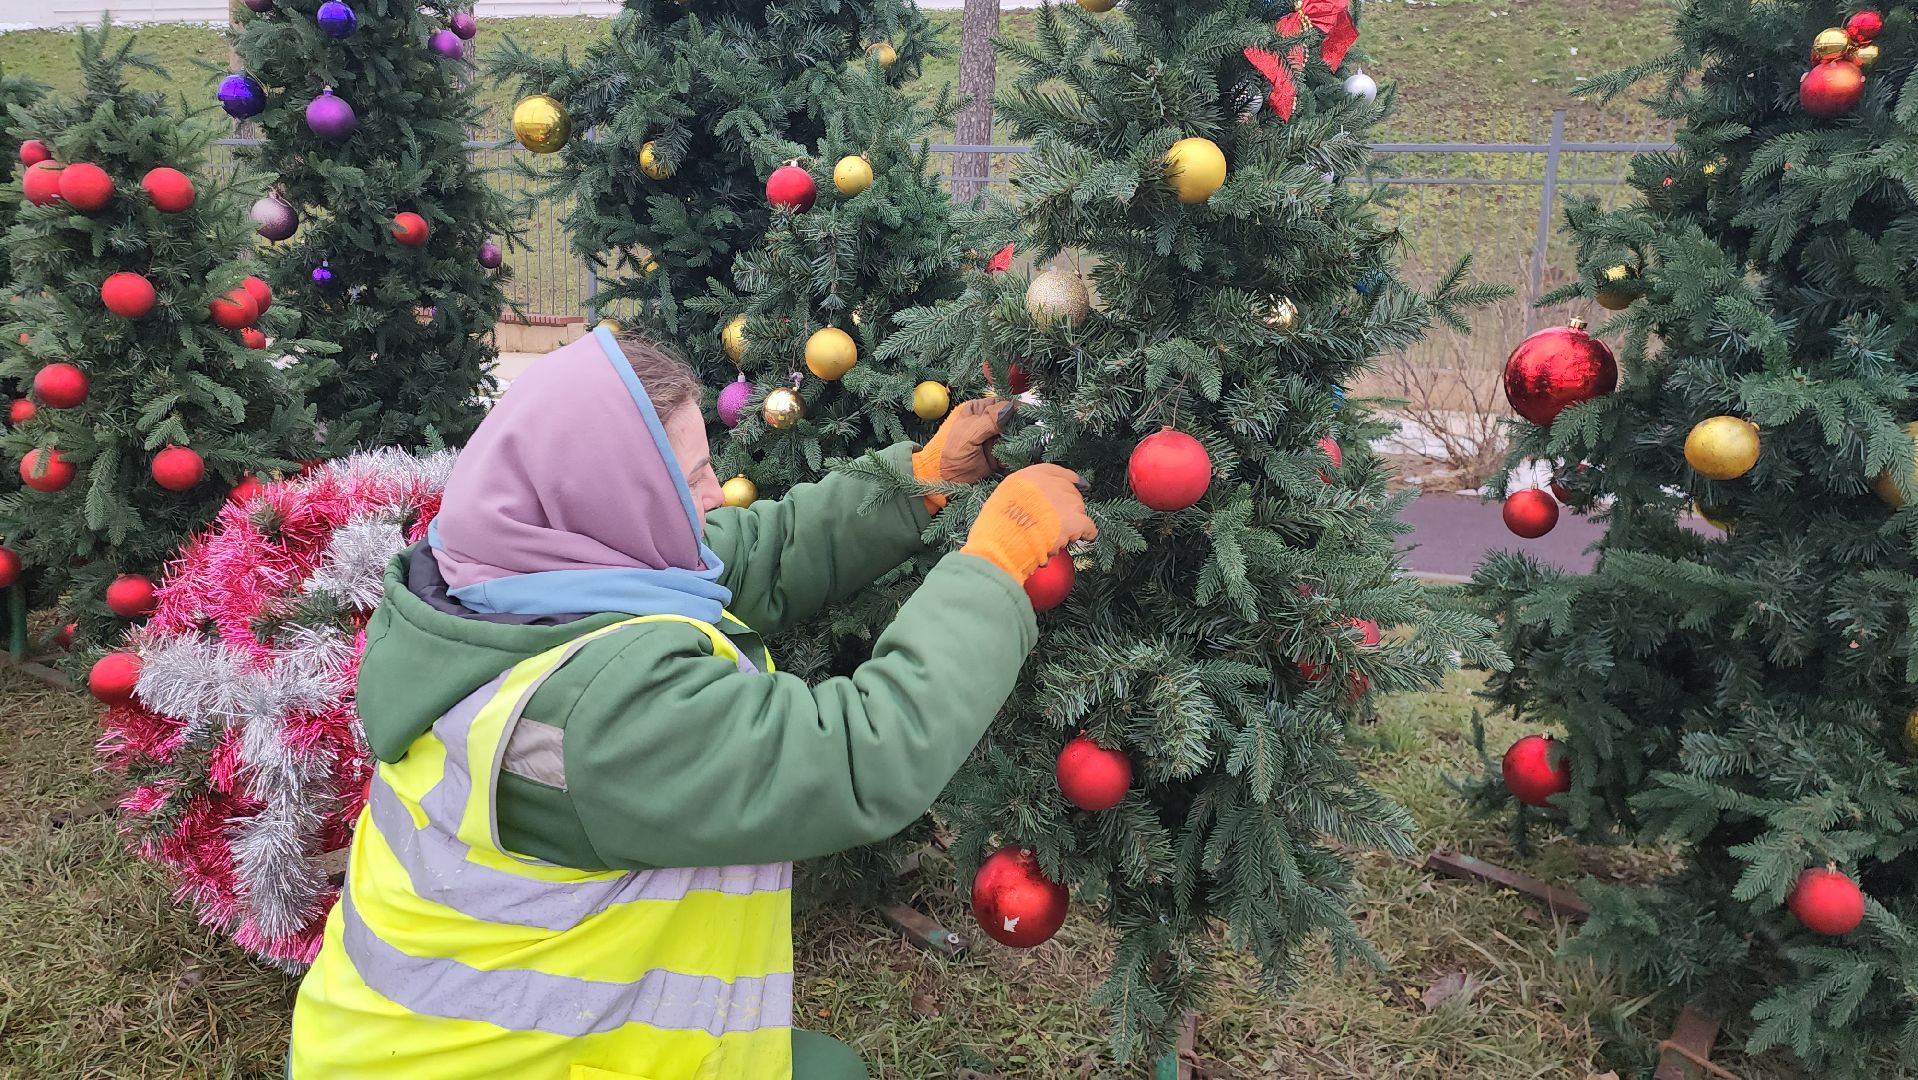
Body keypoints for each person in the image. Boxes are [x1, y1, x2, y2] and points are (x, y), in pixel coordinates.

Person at [287, 324, 1096, 1079]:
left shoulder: (508, 566)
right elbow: (859, 755)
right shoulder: (588, 716)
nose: (716, 495)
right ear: (616, 499)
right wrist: (996, 563)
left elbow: (752, 554)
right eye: (691, 478)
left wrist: (920, 480)